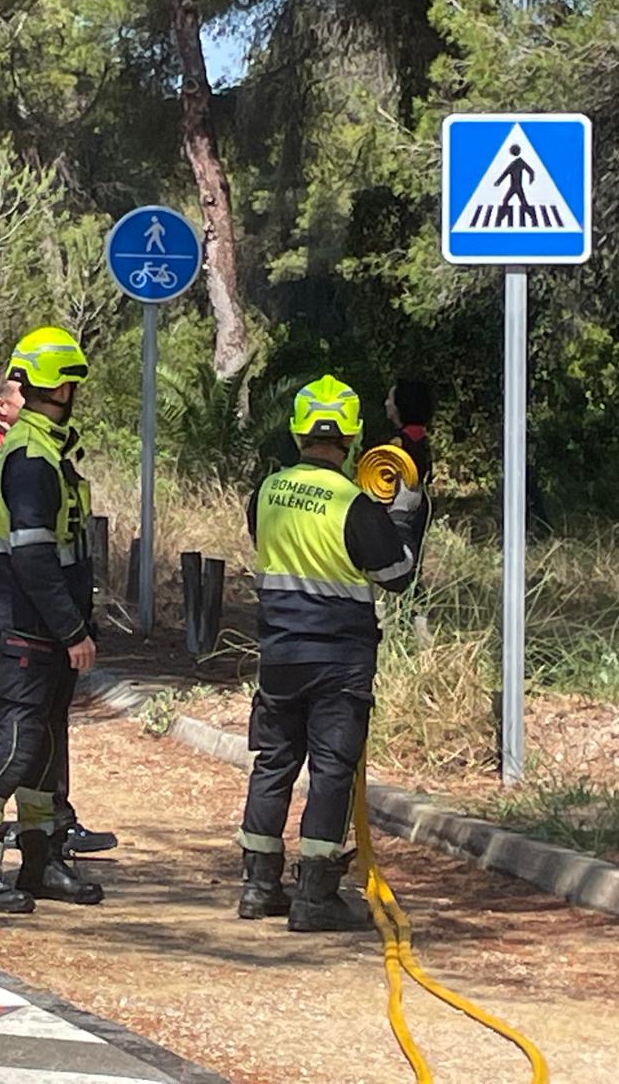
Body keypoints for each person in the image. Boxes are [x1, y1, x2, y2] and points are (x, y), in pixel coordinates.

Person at [235, 374, 424, 932]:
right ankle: (314, 895)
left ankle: (257, 885)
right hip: (339, 659)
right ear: (352, 436)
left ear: (296, 431)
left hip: (279, 653)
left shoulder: (266, 492)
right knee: (331, 771)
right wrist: (406, 512)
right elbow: (396, 575)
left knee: (273, 762)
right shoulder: (354, 505)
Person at [0, 327, 104, 913]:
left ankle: (42, 861)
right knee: (14, 741)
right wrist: (71, 629)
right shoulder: (31, 457)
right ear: (63, 388)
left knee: (41, 744)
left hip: (40, 622)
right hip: (32, 625)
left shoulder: (44, 448)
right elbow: (36, 556)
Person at [385, 377, 435, 581]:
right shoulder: (422, 439)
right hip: (421, 508)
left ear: (400, 406)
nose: (386, 403)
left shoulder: (398, 444)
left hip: (401, 511)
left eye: (390, 398)